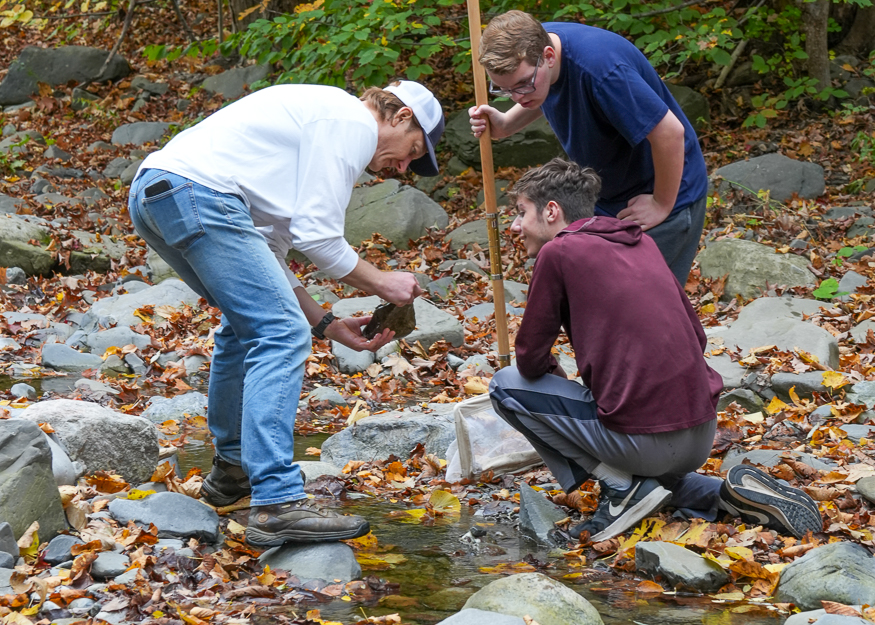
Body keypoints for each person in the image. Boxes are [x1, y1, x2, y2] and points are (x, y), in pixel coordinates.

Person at [128, 80, 446, 547]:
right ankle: (277, 503)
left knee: (248, 328)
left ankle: (233, 472)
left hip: (158, 191)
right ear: (399, 116)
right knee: (279, 334)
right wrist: (382, 281)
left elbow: (270, 247)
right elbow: (318, 237)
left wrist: (326, 323)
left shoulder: (316, 124)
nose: (403, 167)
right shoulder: (350, 121)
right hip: (197, 193)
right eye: (412, 151)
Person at [488, 158, 822, 541]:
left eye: (520, 213)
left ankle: (618, 488)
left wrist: (559, 379)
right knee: (652, 471)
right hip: (700, 432)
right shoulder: (640, 241)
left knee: (504, 386)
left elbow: (529, 358)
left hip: (644, 443)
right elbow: (697, 337)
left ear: (551, 211)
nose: (515, 226)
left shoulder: (559, 252)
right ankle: (720, 495)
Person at [469, 10, 708, 285]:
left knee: (646, 313)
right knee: (599, 300)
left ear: (548, 56)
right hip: (607, 198)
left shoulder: (602, 72)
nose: (517, 96)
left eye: (522, 84)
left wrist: (662, 204)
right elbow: (536, 91)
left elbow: (670, 134)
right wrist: (507, 124)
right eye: (504, 89)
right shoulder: (529, 44)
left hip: (666, 196)